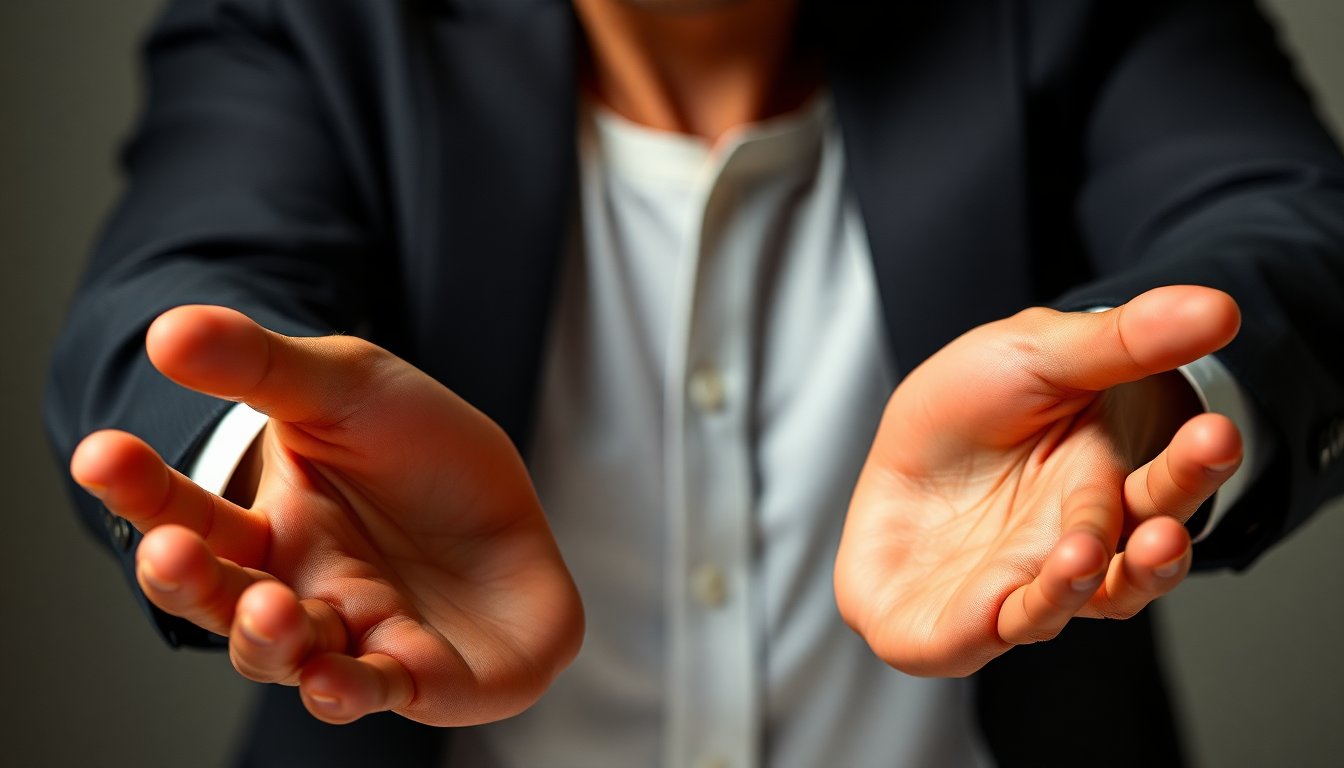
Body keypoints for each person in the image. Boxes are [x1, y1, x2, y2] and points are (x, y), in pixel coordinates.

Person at [45, 0, 1344, 765]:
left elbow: (1293, 227)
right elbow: (168, 289)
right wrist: (271, 463)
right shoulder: (308, 22)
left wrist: (1140, 400)